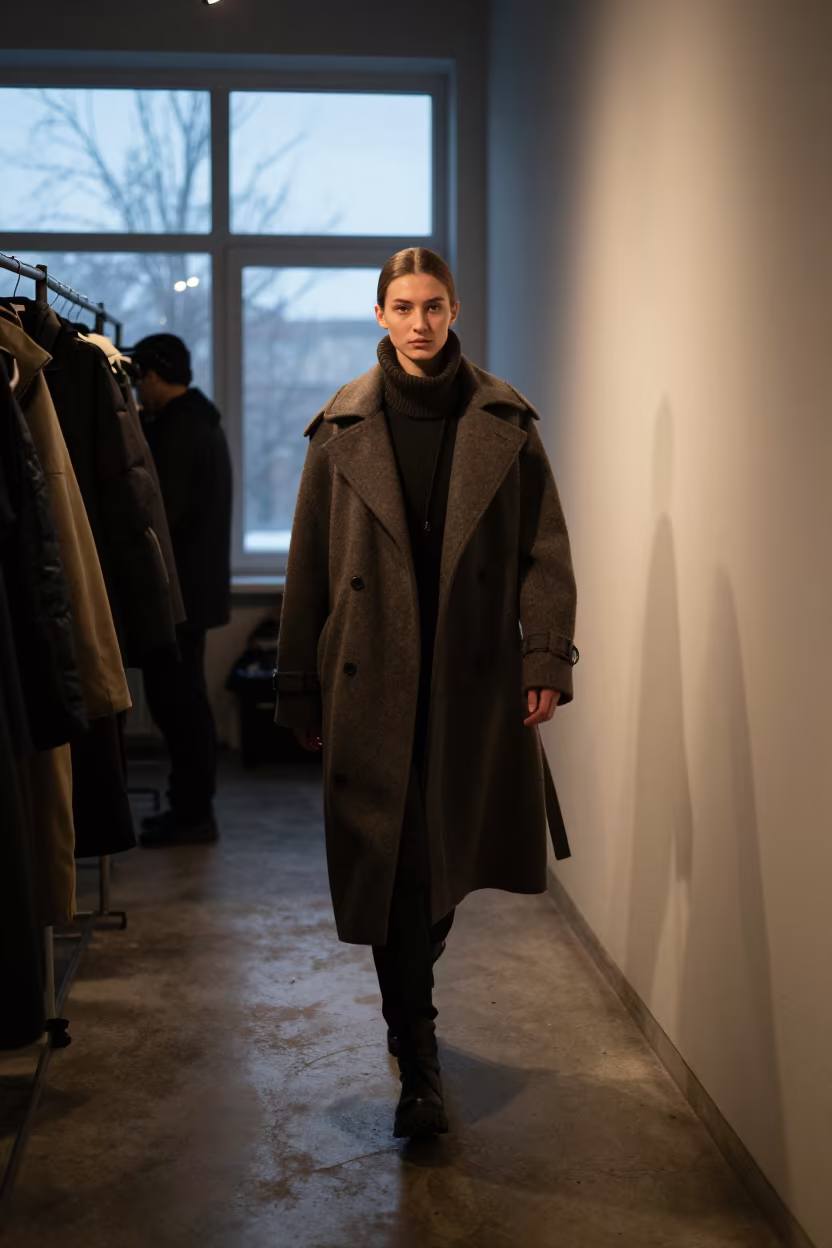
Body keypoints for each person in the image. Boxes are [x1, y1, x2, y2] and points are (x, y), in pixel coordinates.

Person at [274, 248, 578, 1139]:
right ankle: (421, 1053)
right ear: (379, 314)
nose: (419, 322)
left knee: (438, 871)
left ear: (453, 312)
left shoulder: (504, 419)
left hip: (469, 686)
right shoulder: (339, 432)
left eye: (433, 306)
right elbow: (308, 573)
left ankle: (413, 1025)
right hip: (370, 686)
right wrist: (300, 691)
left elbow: (545, 552)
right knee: (397, 871)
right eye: (402, 306)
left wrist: (545, 661)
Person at [128, 334, 233, 847]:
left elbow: (159, 517)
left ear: (153, 374)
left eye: (138, 379)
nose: (136, 391)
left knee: (180, 706)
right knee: (184, 702)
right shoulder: (198, 422)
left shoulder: (179, 430)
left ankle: (191, 814)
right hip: (194, 589)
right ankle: (190, 809)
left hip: (178, 594)